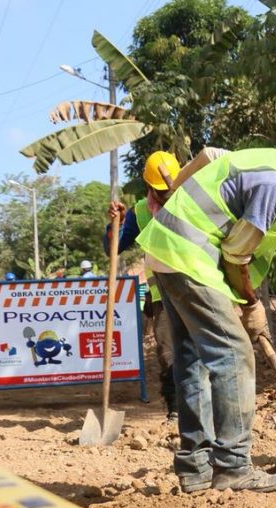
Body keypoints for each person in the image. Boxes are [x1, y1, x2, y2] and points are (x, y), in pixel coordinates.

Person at [136, 107, 276, 494]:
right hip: (191, 256)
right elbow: (237, 254)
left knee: (191, 360)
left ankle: (195, 468)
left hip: (166, 253)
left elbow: (208, 157)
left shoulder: (264, 163)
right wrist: (250, 303)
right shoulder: (275, 182)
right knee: (234, 355)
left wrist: (241, 301)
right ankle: (234, 466)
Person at [106, 151, 184, 421]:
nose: (166, 195)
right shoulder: (141, 212)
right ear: (149, 187)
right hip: (162, 293)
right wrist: (114, 224)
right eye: (160, 191)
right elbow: (111, 248)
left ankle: (205, 407)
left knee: (204, 348)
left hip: (198, 288)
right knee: (168, 351)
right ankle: (176, 409)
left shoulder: (192, 201)